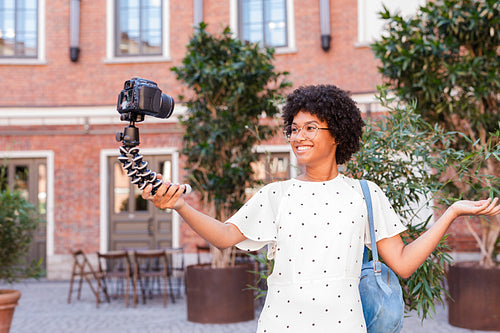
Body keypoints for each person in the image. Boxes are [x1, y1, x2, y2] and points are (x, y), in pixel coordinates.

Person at [142, 84, 500, 333]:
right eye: (294, 128)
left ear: (338, 134)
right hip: (281, 323)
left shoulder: (365, 194)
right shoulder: (276, 194)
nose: (298, 137)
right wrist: (181, 206)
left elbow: (403, 264)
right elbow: (224, 237)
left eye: (310, 127)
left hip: (344, 324)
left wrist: (451, 212)